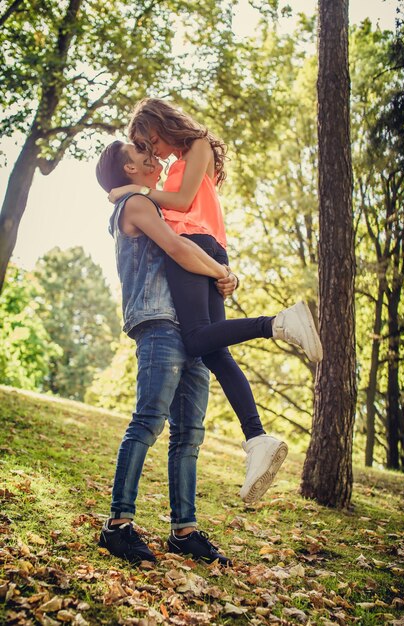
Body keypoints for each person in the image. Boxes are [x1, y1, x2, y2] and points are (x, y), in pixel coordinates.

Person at [109, 97, 323, 504]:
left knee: (194, 339)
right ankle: (257, 438)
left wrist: (135, 188)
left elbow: (185, 203)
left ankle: (275, 323)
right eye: (144, 146)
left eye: (150, 140)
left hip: (194, 246)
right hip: (208, 252)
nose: (152, 149)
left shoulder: (198, 146)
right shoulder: (172, 165)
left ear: (161, 125)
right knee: (213, 350)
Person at [95, 140, 234, 566]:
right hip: (159, 323)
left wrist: (218, 275)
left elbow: (187, 243)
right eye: (143, 156)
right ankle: (117, 526)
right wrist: (223, 272)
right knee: (149, 421)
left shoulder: (147, 201)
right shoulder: (135, 205)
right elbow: (177, 248)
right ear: (128, 169)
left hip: (189, 325)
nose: (154, 159)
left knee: (190, 432)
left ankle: (184, 531)